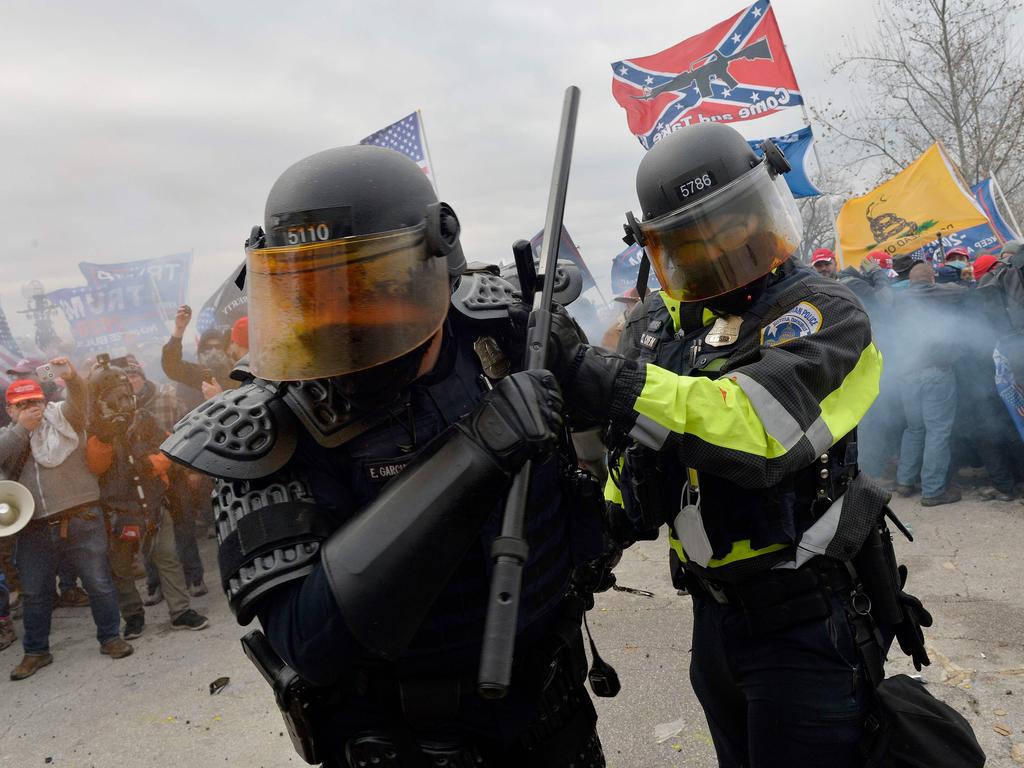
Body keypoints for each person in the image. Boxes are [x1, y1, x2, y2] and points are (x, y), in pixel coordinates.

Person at [162, 145, 610, 766]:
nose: (342, 317)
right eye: (314, 295)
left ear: (433, 265)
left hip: (555, 719)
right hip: (408, 746)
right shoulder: (265, 423)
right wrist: (477, 451)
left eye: (369, 288)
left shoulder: (503, 330)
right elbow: (308, 640)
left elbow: (627, 411)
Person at [536, 123, 931, 766]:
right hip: (714, 617)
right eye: (695, 239)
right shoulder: (655, 325)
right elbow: (629, 451)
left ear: (764, 210)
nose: (722, 249)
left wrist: (609, 380)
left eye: (736, 224)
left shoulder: (827, 310)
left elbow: (760, 430)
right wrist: (593, 525)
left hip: (806, 620)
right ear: (659, 248)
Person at [0, 364, 132, 680]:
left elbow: (81, 400)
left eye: (36, 402)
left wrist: (73, 378)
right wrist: (23, 429)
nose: (32, 409)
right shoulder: (8, 436)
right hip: (34, 527)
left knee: (98, 582)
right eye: (23, 405)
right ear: (10, 409)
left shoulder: (64, 418)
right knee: (34, 592)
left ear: (45, 402)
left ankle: (110, 638)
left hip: (81, 516)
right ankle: (36, 651)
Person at [85, 361, 209, 640]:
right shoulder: (95, 431)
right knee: (121, 570)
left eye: (124, 395)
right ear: (100, 400)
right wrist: (104, 436)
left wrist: (154, 464)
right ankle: (133, 617)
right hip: (118, 511)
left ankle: (180, 611)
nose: (121, 403)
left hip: (152, 503)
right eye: (113, 398)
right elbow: (95, 466)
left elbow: (171, 447)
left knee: (167, 557)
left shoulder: (144, 419)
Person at [892, 263, 967, 506]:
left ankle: (905, 481)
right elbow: (961, 291)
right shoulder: (943, 293)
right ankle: (933, 490)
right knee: (938, 431)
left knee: (914, 429)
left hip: (907, 374)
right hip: (935, 372)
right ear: (932, 279)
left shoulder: (900, 300)